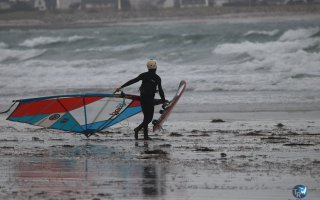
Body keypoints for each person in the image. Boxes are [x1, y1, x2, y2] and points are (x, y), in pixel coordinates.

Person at [115, 59, 167, 140]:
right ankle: (137, 129)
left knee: (146, 117)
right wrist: (163, 101)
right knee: (149, 118)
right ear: (156, 67)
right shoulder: (157, 78)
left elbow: (133, 81)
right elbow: (160, 90)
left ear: (147, 67)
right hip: (149, 99)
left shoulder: (144, 75)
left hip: (143, 98)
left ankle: (145, 136)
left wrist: (121, 87)